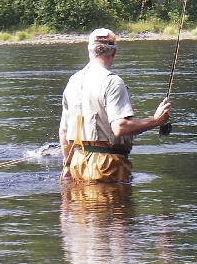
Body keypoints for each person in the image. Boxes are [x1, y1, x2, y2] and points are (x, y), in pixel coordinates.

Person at [59, 28, 171, 183]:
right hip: (107, 167)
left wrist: (67, 166)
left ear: (89, 50)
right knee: (112, 207)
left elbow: (64, 132)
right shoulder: (112, 81)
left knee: (84, 208)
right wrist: (156, 120)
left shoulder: (73, 81)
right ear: (114, 52)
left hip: (78, 163)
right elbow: (120, 128)